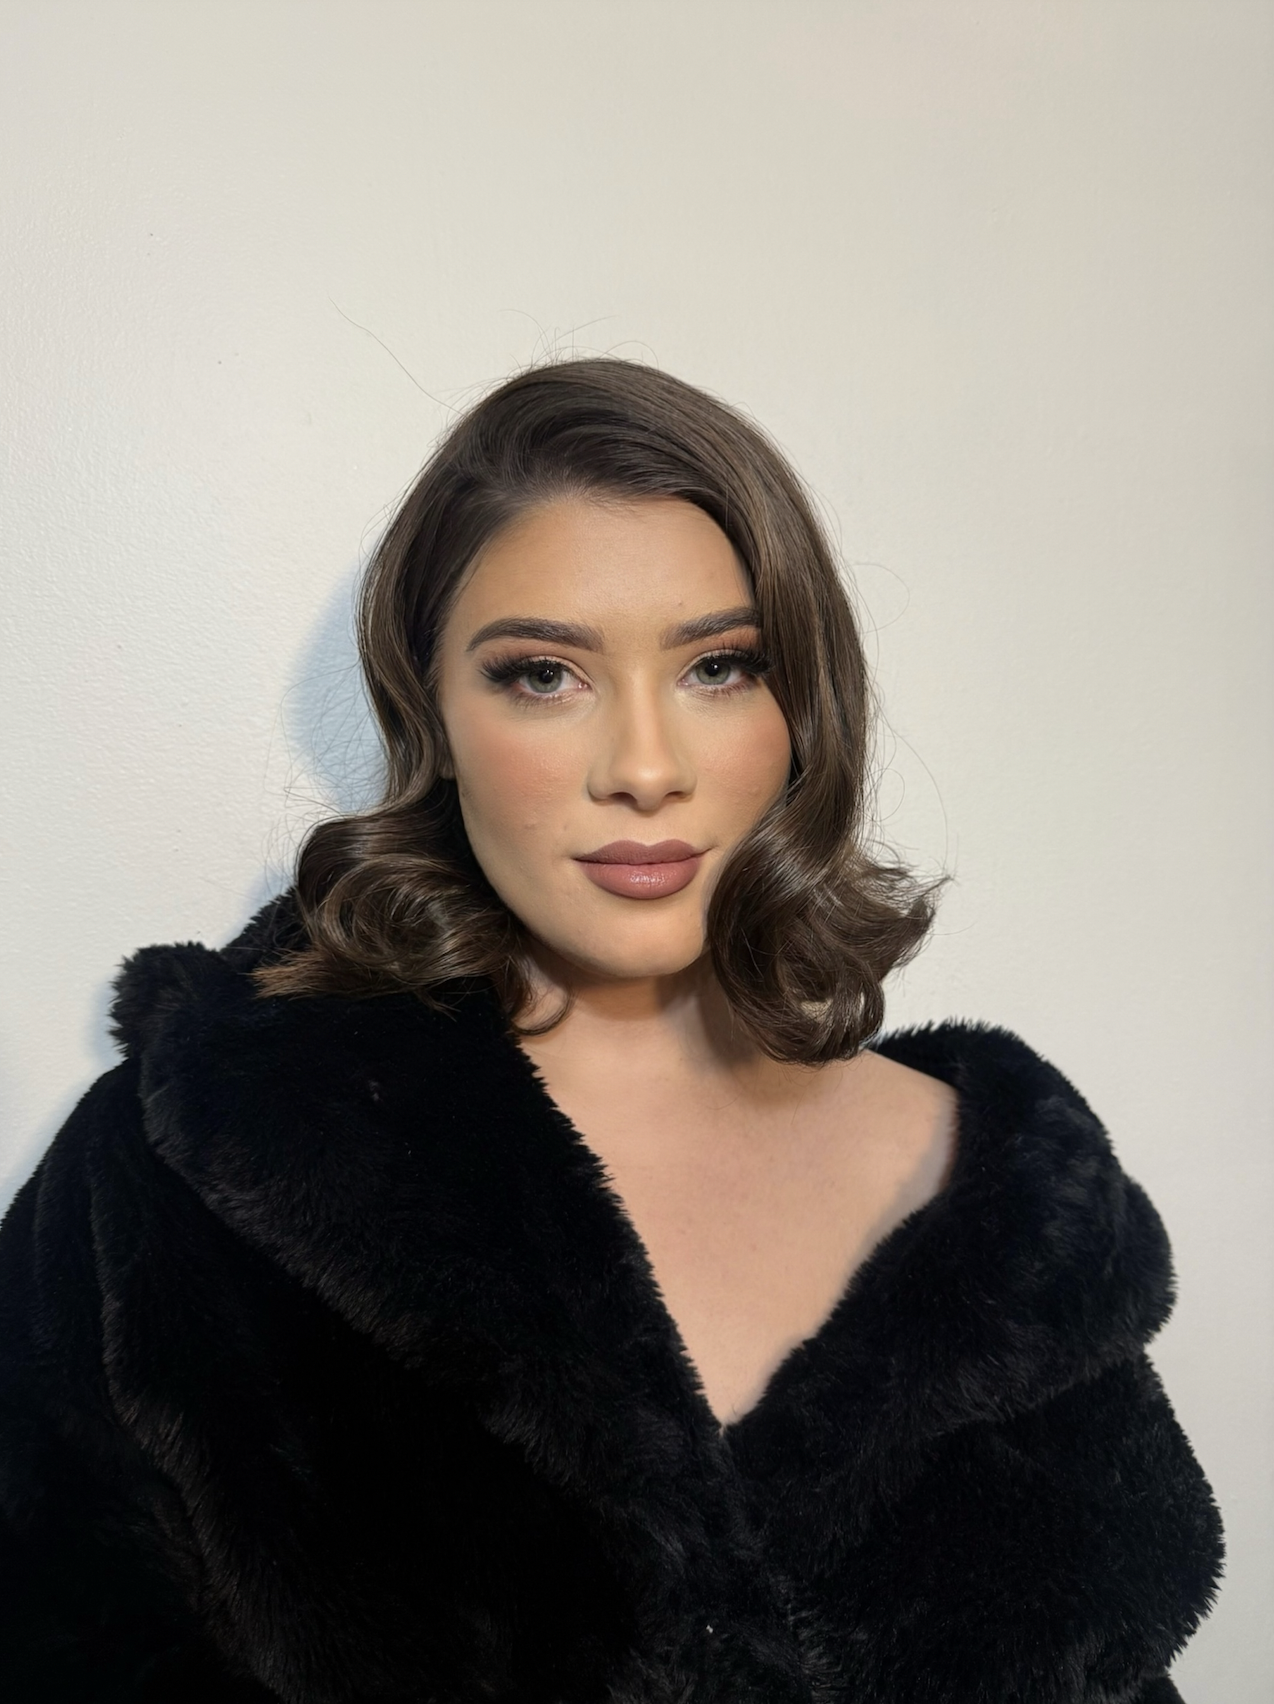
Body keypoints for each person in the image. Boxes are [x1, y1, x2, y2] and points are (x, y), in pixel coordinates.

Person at [0, 359, 1222, 1702]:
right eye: (541, 673)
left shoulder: (1014, 1215)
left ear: (798, 708)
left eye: (717, 665)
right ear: (432, 711)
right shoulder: (183, 1172)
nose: (642, 765)